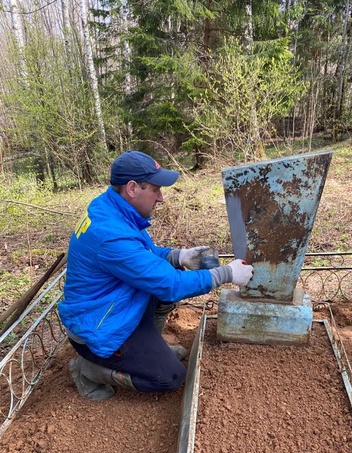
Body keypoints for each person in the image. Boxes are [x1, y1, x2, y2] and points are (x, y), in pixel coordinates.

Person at [58, 150, 253, 400]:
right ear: (132, 188)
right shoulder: (110, 234)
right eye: (155, 189)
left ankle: (150, 350)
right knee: (169, 377)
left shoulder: (111, 207)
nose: (161, 198)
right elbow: (170, 284)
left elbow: (141, 254)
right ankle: (88, 369)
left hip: (112, 306)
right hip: (99, 328)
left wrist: (177, 256)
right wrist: (226, 273)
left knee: (165, 283)